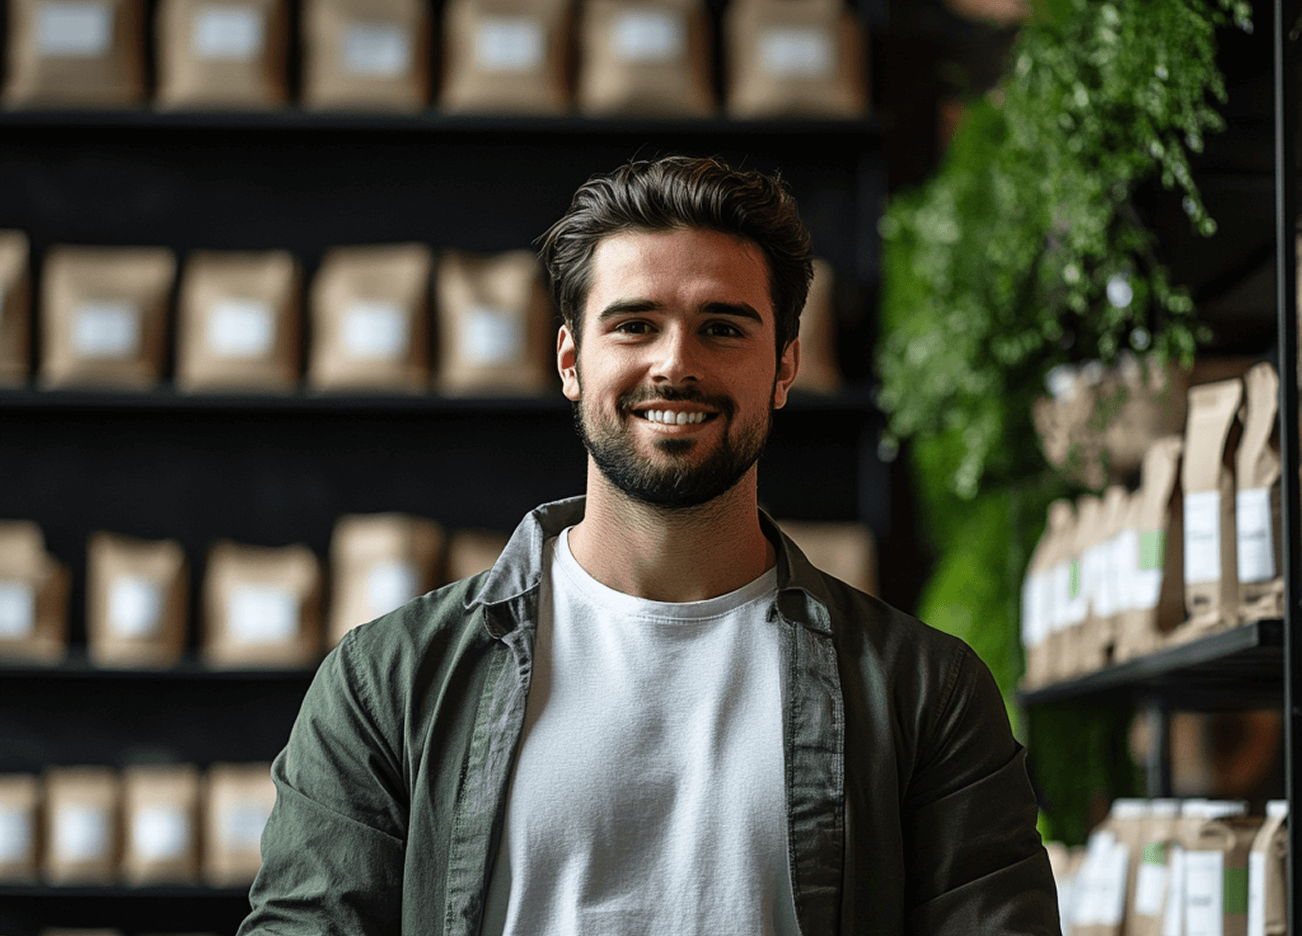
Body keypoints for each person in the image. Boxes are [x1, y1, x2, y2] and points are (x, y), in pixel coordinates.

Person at [238, 155, 1061, 935]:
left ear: (785, 367)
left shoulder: (924, 692)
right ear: (571, 360)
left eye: (723, 329)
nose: (676, 363)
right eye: (634, 325)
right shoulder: (388, 681)